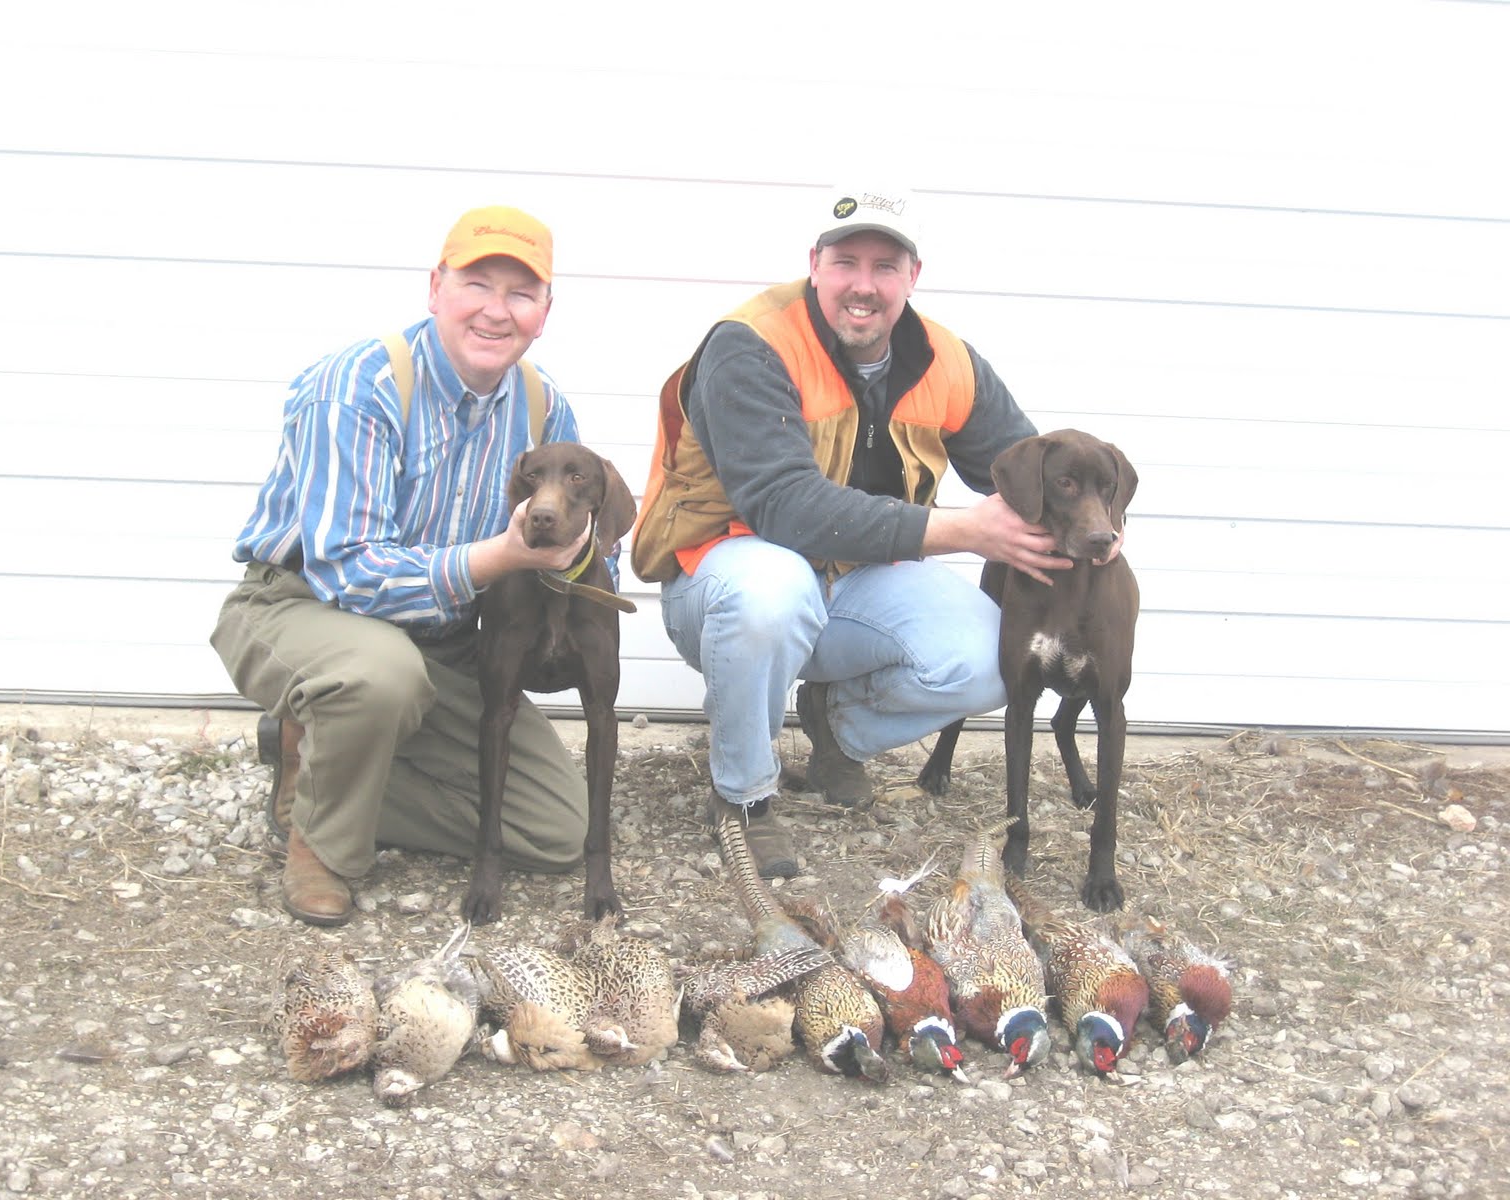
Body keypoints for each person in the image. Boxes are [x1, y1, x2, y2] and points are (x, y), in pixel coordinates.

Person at [632, 183, 1119, 879]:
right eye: (846, 263)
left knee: (991, 658)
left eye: (885, 267)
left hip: (849, 582)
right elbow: (786, 508)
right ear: (814, 265)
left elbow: (1030, 475)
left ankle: (836, 731)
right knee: (772, 592)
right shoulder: (752, 344)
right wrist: (963, 531)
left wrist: (1093, 522)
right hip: (724, 576)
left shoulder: (946, 361)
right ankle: (743, 798)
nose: (864, 285)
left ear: (913, 277)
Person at [211, 205, 600, 926]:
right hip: (302, 607)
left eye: (521, 293)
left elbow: (570, 526)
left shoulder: (544, 407)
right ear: (434, 288)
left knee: (553, 831)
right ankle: (321, 844)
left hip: (442, 643)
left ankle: (318, 751)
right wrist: (498, 557)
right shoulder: (358, 386)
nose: (496, 310)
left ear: (545, 312)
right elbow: (349, 570)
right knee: (380, 675)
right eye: (476, 284)